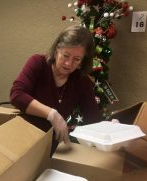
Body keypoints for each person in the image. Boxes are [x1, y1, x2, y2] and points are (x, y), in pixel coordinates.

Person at [10, 25, 102, 155]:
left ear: (83, 61)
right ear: (57, 50)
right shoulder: (38, 63)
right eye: (65, 55)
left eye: (76, 59)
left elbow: (93, 120)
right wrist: (52, 114)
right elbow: (17, 95)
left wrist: (108, 129)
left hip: (54, 146)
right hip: (24, 139)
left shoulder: (82, 81)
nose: (68, 64)